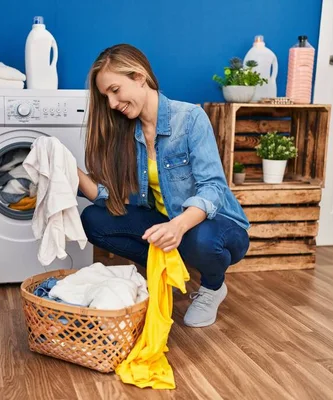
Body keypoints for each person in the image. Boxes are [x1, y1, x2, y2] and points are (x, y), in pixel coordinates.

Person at [76, 44, 250, 328]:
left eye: (115, 90)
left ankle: (213, 287)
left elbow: (213, 189)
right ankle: (165, 271)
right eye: (105, 96)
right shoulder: (125, 130)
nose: (111, 103)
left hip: (217, 225)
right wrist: (69, 169)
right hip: (167, 220)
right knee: (93, 220)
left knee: (201, 240)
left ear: (139, 77)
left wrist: (178, 226)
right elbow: (110, 196)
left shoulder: (190, 118)